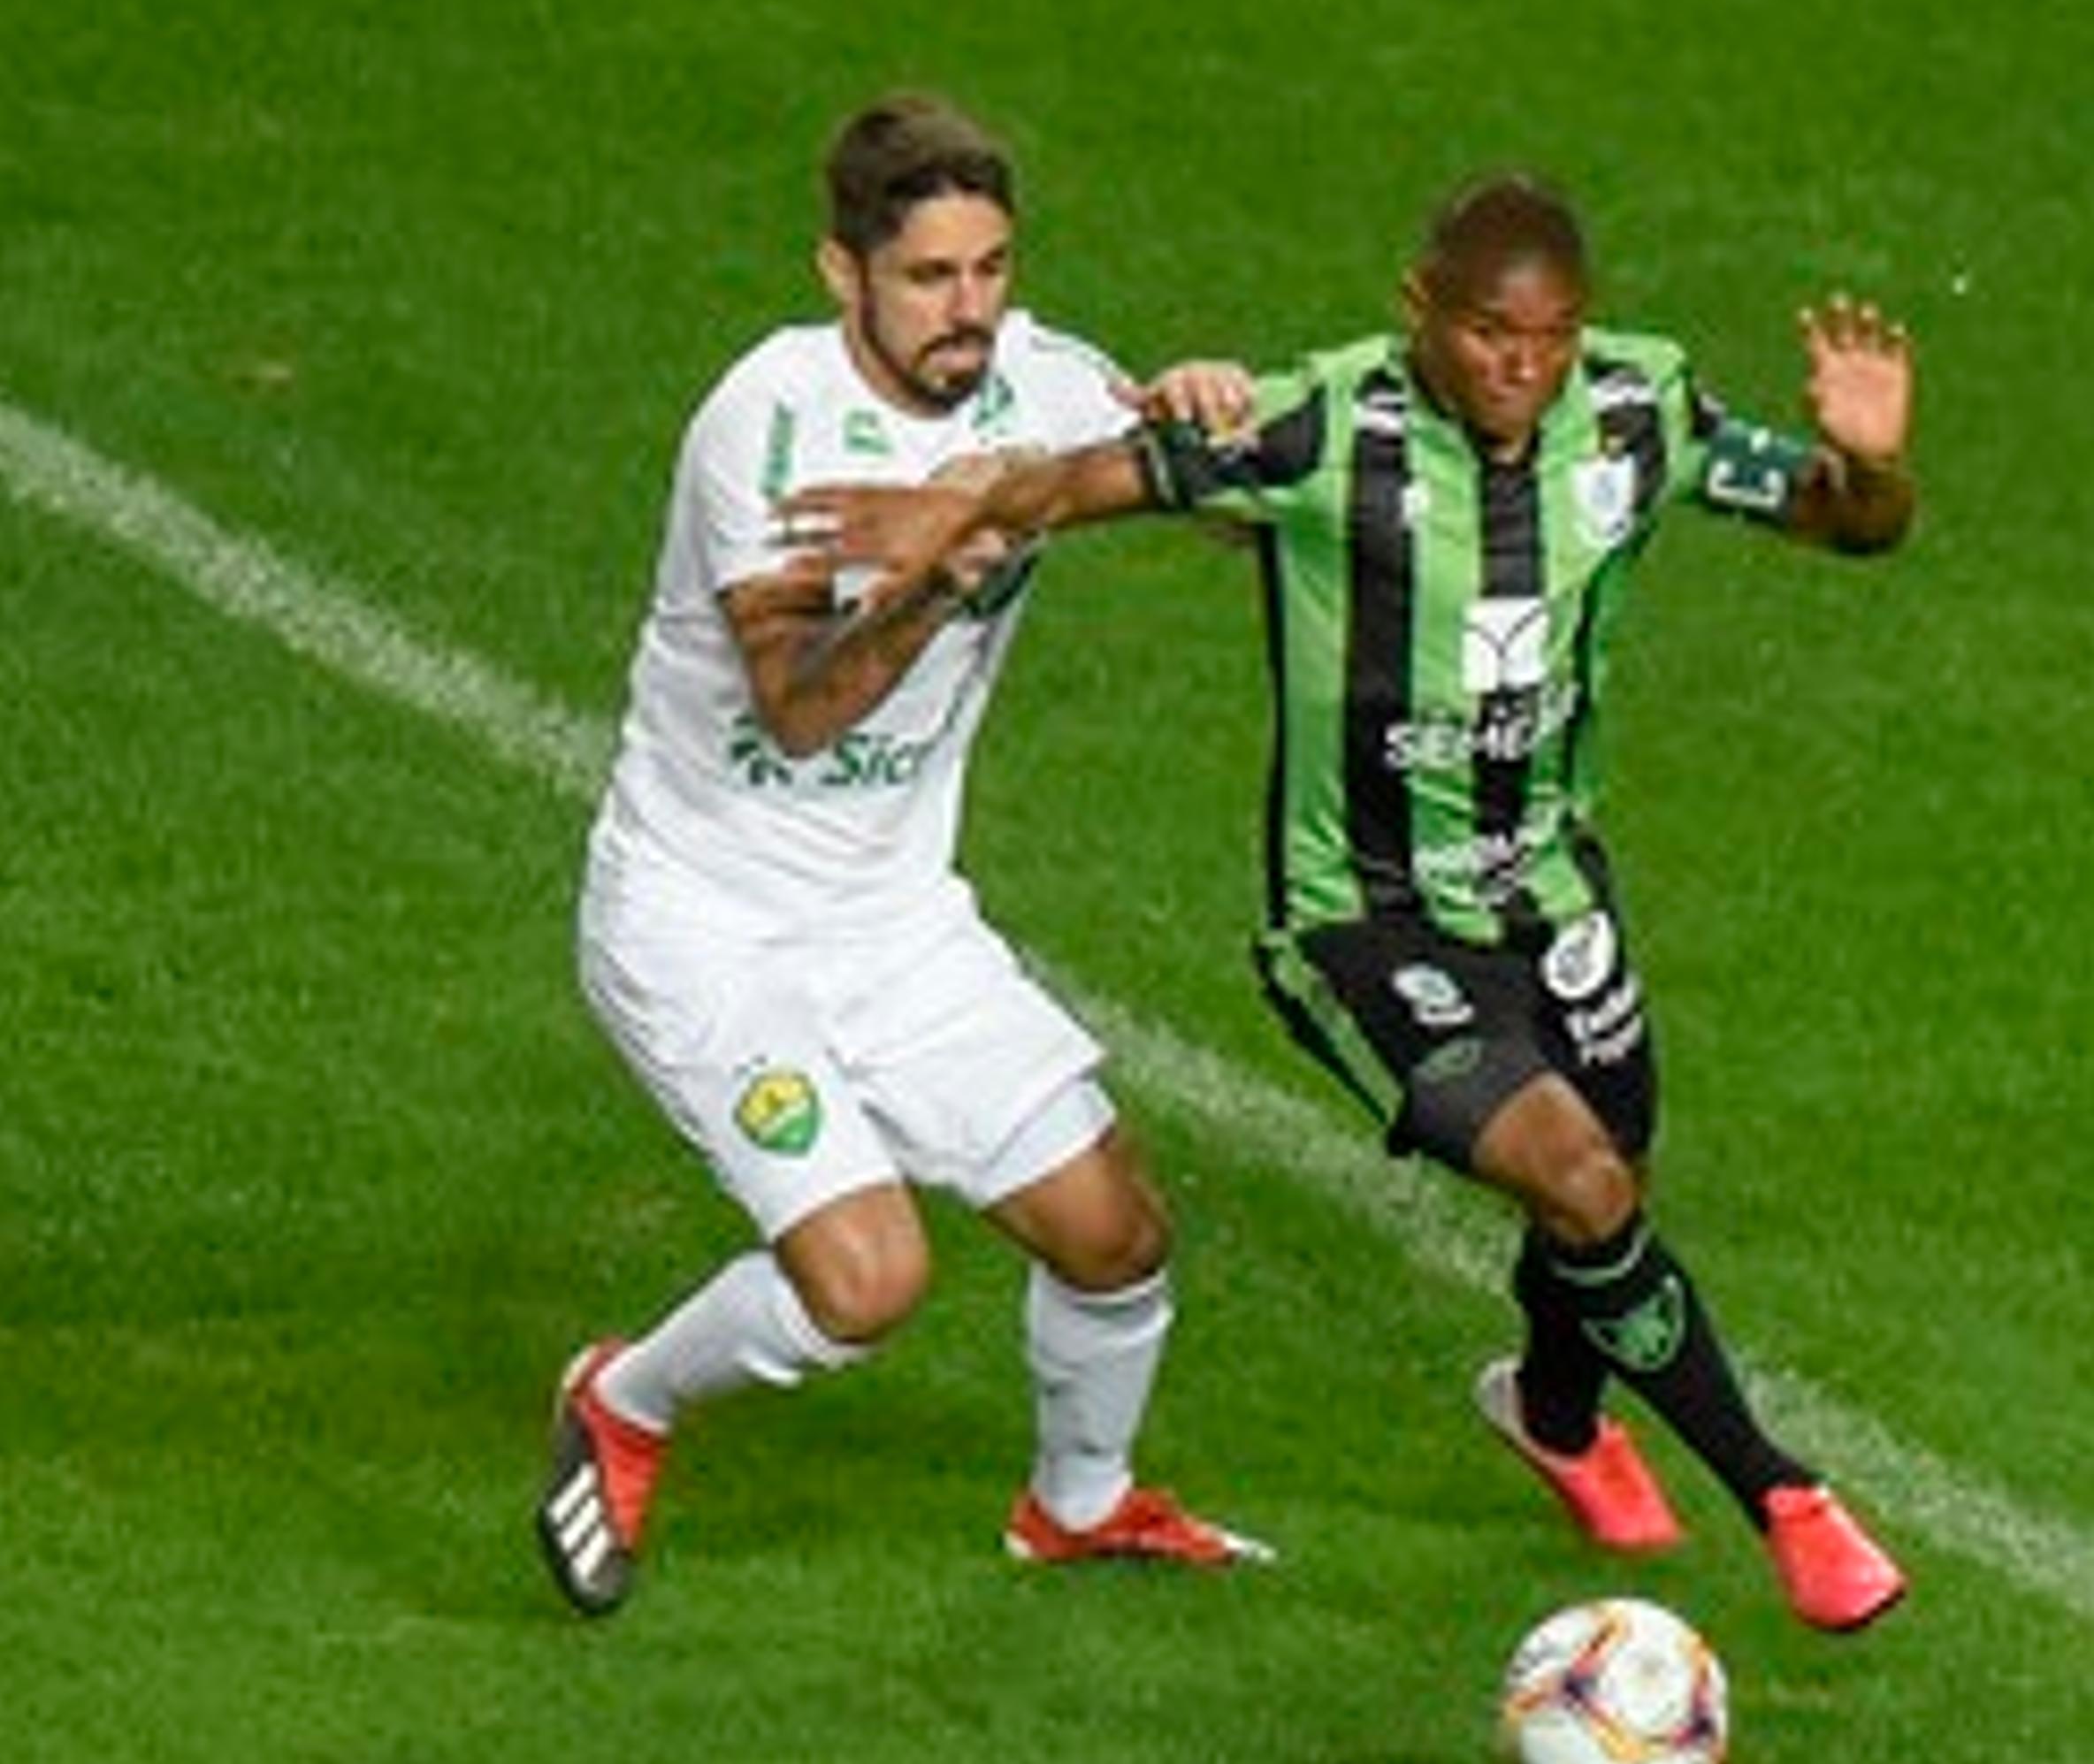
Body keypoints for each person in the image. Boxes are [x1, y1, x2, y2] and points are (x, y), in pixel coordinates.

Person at [784, 172, 1917, 1630]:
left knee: (1599, 1204)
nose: (1524, 366)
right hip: (1364, 921)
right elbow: (1090, 481)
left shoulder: (1644, 410)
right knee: (1582, 1181)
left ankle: (1554, 1419)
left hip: (1555, 897)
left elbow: (1851, 525)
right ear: (1419, 312)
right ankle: (1787, 1499)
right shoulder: (1330, 425)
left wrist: (1871, 463)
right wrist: (948, 514)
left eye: (1554, 337)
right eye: (1493, 335)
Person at [539, 93, 1270, 1618]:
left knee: (1114, 1231)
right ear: (842, 273)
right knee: (867, 1286)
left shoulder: (1047, 387)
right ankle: (623, 1400)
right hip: (702, 925)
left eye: (992, 269)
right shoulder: (768, 426)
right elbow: (800, 712)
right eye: (931, 278)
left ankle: (1077, 1506)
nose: (970, 311)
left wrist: (1220, 433)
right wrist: (947, 569)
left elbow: (1246, 523)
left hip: (891, 920)